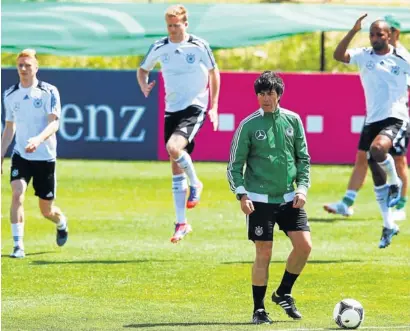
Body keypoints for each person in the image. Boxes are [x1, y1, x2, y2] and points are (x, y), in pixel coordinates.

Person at [227, 71, 311, 324]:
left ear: (279, 95)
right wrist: (241, 195)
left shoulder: (293, 120)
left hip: (289, 198)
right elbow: (234, 165)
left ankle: (284, 292)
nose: (265, 98)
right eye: (261, 94)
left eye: (270, 93)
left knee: (304, 246)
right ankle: (259, 310)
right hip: (259, 200)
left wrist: (302, 188)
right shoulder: (249, 125)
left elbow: (303, 159)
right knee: (264, 253)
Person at [137, 5, 220, 243]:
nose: (173, 30)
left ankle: (197, 183)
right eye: (169, 26)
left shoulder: (199, 46)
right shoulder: (160, 47)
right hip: (171, 109)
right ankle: (182, 222)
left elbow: (215, 72)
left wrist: (213, 105)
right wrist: (144, 84)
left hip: (194, 107)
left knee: (173, 148)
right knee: (175, 166)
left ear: (186, 24)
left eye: (177, 25)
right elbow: (142, 70)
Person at [331, 15, 410, 248]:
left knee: (378, 150)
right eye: (372, 34)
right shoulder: (364, 55)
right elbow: (338, 56)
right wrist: (352, 31)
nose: (375, 37)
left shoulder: (402, 58)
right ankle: (388, 224)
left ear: (390, 35)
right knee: (376, 172)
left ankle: (395, 184)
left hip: (396, 118)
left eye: (380, 34)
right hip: (372, 120)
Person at [1, 49, 68, 258]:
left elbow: (54, 123)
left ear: (36, 68)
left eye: (27, 65)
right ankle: (18, 245)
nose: (23, 69)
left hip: (45, 158)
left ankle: (61, 222)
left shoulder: (48, 92)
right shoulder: (10, 94)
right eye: (20, 65)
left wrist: (38, 140)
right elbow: (9, 127)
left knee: (46, 210)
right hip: (21, 155)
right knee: (17, 193)